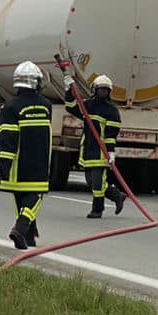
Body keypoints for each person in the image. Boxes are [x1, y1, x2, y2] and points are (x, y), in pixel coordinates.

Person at [0, 61, 52, 250]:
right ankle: (20, 229)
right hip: (38, 163)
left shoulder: (10, 108)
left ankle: (29, 236)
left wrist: (4, 165)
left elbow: (7, 139)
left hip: (17, 165)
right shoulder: (46, 106)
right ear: (36, 82)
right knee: (35, 197)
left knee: (20, 198)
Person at [63, 71, 125, 219]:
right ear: (95, 90)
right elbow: (71, 107)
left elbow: (111, 134)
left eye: (105, 90)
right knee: (91, 182)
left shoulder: (111, 110)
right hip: (87, 149)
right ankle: (117, 195)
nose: (102, 92)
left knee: (97, 182)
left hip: (101, 151)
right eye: (100, 89)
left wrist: (110, 152)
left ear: (109, 92)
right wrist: (68, 90)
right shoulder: (88, 105)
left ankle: (97, 209)